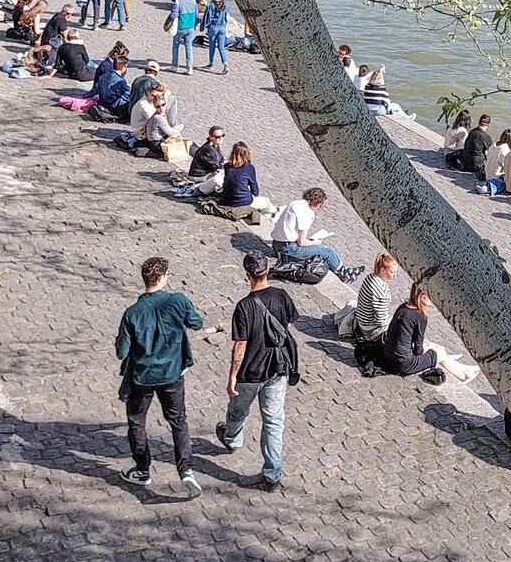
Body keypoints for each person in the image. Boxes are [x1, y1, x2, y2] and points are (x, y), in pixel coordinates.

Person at [114, 255, 205, 498]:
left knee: (136, 422)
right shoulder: (177, 300)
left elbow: (121, 351)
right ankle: (186, 470)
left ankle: (142, 470)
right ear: (163, 277)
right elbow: (197, 323)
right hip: (173, 373)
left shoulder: (132, 313)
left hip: (142, 376)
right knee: (178, 422)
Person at [219, 251, 298, 492]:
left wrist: (232, 376)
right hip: (277, 368)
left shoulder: (244, 307)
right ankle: (272, 474)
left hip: (250, 371)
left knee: (238, 409)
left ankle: (232, 439)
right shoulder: (282, 295)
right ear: (267, 271)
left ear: (247, 276)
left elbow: (240, 345)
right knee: (273, 421)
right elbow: (288, 323)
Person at [382, 283, 480, 383]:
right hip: (404, 364)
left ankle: (465, 370)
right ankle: (462, 376)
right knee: (439, 353)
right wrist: (428, 350)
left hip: (389, 355)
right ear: (421, 296)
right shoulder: (420, 316)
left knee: (439, 349)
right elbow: (418, 350)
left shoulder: (403, 307)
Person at [271, 187, 361, 281]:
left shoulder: (295, 203)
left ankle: (341, 269)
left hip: (276, 243)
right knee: (327, 251)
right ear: (317, 203)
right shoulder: (307, 213)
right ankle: (343, 272)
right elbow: (301, 242)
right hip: (287, 249)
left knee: (317, 249)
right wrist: (315, 242)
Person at [350, 254, 396, 342]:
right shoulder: (382, 293)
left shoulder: (370, 277)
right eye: (392, 272)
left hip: (361, 321)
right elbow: (381, 321)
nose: (394, 276)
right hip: (370, 330)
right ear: (382, 270)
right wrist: (392, 316)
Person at [129, 83, 184, 157]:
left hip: (148, 129)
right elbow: (157, 121)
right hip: (142, 134)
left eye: (156, 96)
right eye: (152, 95)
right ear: (149, 93)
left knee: (172, 100)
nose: (153, 98)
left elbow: (168, 93)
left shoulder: (151, 102)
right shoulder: (144, 105)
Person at [169, 0, 199, 72]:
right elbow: (197, 15)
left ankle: (175, 65)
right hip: (190, 27)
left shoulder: (178, 2)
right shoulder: (193, 1)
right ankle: (190, 68)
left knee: (175, 46)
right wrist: (194, 25)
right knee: (189, 47)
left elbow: (174, 15)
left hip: (181, 26)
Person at [202, 0, 231, 72]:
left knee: (212, 45)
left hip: (214, 27)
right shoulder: (225, 5)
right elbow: (227, 17)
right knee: (221, 46)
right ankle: (225, 64)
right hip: (222, 27)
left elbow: (208, 18)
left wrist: (203, 26)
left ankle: (211, 63)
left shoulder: (211, 5)